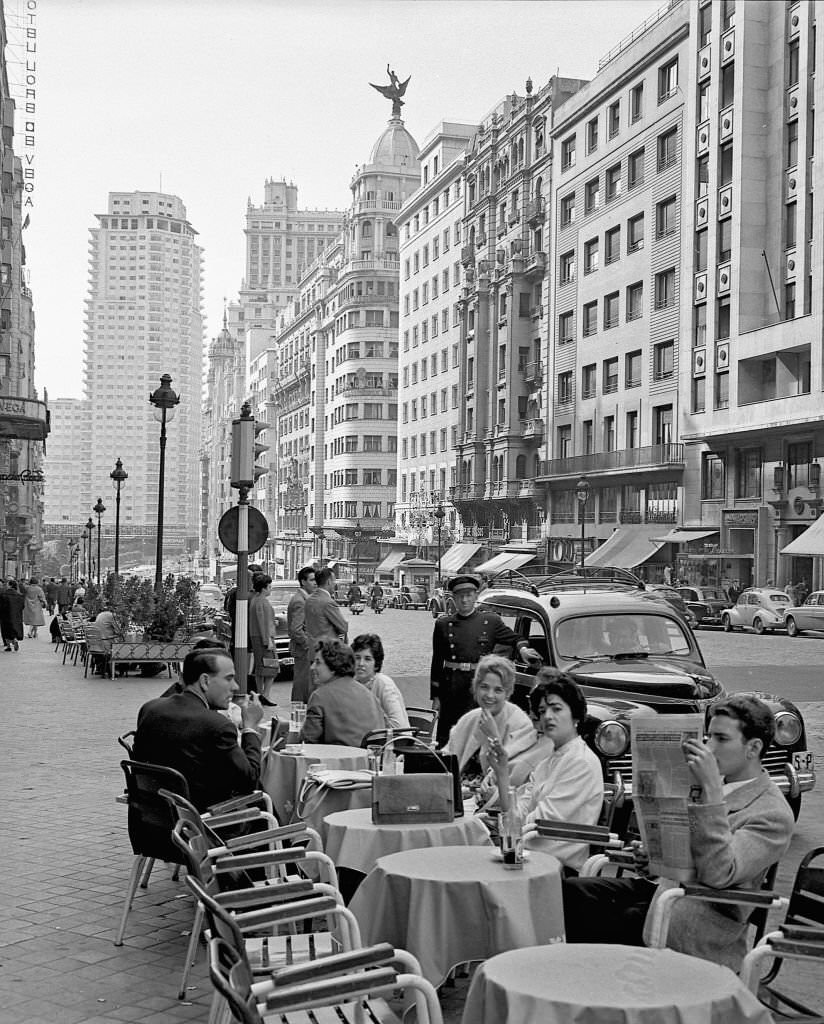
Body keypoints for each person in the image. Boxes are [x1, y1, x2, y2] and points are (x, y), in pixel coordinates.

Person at [561, 694, 795, 971]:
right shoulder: (709, 782)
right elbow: (683, 848)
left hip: (701, 918)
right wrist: (654, 858)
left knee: (598, 921)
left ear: (753, 747)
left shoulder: (772, 813)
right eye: (709, 737)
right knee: (571, 893)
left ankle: (597, 997)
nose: (708, 747)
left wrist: (710, 795)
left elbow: (720, 873)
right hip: (667, 893)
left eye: (721, 739)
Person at [487, 672, 604, 873]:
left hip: (555, 866)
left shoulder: (581, 762)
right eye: (542, 711)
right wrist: (503, 774)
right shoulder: (549, 761)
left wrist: (505, 830)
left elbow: (542, 822)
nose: (547, 716)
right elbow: (517, 814)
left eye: (556, 709)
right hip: (528, 855)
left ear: (575, 714)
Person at [132, 646, 264, 812]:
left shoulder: (150, 709)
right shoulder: (217, 725)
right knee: (263, 799)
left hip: (152, 821)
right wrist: (250, 728)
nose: (235, 686)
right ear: (205, 681)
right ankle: (288, 837)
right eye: (229, 679)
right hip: (205, 826)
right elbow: (249, 781)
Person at [430, 573, 542, 747]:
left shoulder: (490, 621)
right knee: (449, 736)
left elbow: (514, 637)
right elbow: (437, 661)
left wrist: (524, 649)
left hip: (478, 686)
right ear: (453, 599)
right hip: (451, 687)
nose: (464, 600)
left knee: (478, 733)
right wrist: (436, 695)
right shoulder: (443, 624)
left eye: (468, 596)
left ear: (475, 596)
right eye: (460, 596)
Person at [442, 655, 538, 786]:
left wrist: (493, 737)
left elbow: (508, 776)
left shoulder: (521, 725)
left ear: (508, 693)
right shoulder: (470, 719)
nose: (490, 695)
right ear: (476, 687)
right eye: (484, 687)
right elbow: (446, 758)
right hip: (457, 794)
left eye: (498, 690)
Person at [300, 639, 383, 747]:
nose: (312, 667)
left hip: (336, 760)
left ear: (333, 667)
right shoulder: (368, 694)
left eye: (318, 662)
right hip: (368, 759)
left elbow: (309, 741)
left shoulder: (320, 696)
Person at [351, 633, 410, 730]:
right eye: (357, 658)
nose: (361, 664)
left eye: (367, 659)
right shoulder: (354, 682)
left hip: (394, 741)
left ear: (376, 663)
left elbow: (398, 726)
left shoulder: (383, 684)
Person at [287, 565, 317, 702]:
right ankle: (298, 711)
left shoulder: (305, 599)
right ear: (303, 582)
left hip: (303, 649)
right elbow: (296, 630)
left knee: (305, 682)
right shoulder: (300, 601)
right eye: (312, 580)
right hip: (303, 650)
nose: (315, 583)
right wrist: (308, 645)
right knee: (302, 684)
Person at [304, 567, 348, 660]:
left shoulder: (309, 600)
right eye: (334, 581)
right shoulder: (328, 602)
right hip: (327, 654)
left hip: (313, 651)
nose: (335, 584)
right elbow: (343, 627)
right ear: (328, 582)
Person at [248, 574, 279, 706]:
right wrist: (267, 640)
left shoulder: (255, 600)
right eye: (269, 586)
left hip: (257, 637)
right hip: (264, 638)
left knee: (261, 667)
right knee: (272, 667)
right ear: (264, 588)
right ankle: (264, 694)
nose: (271, 589)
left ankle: (260, 693)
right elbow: (262, 622)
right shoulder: (261, 601)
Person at [0, 578, 24, 651]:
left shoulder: (3, 594)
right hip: (16, 616)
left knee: (6, 631)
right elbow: (22, 606)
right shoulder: (19, 595)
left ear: (10, 585)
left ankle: (8, 646)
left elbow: (1, 606)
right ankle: (15, 640)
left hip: (5, 615)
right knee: (14, 629)